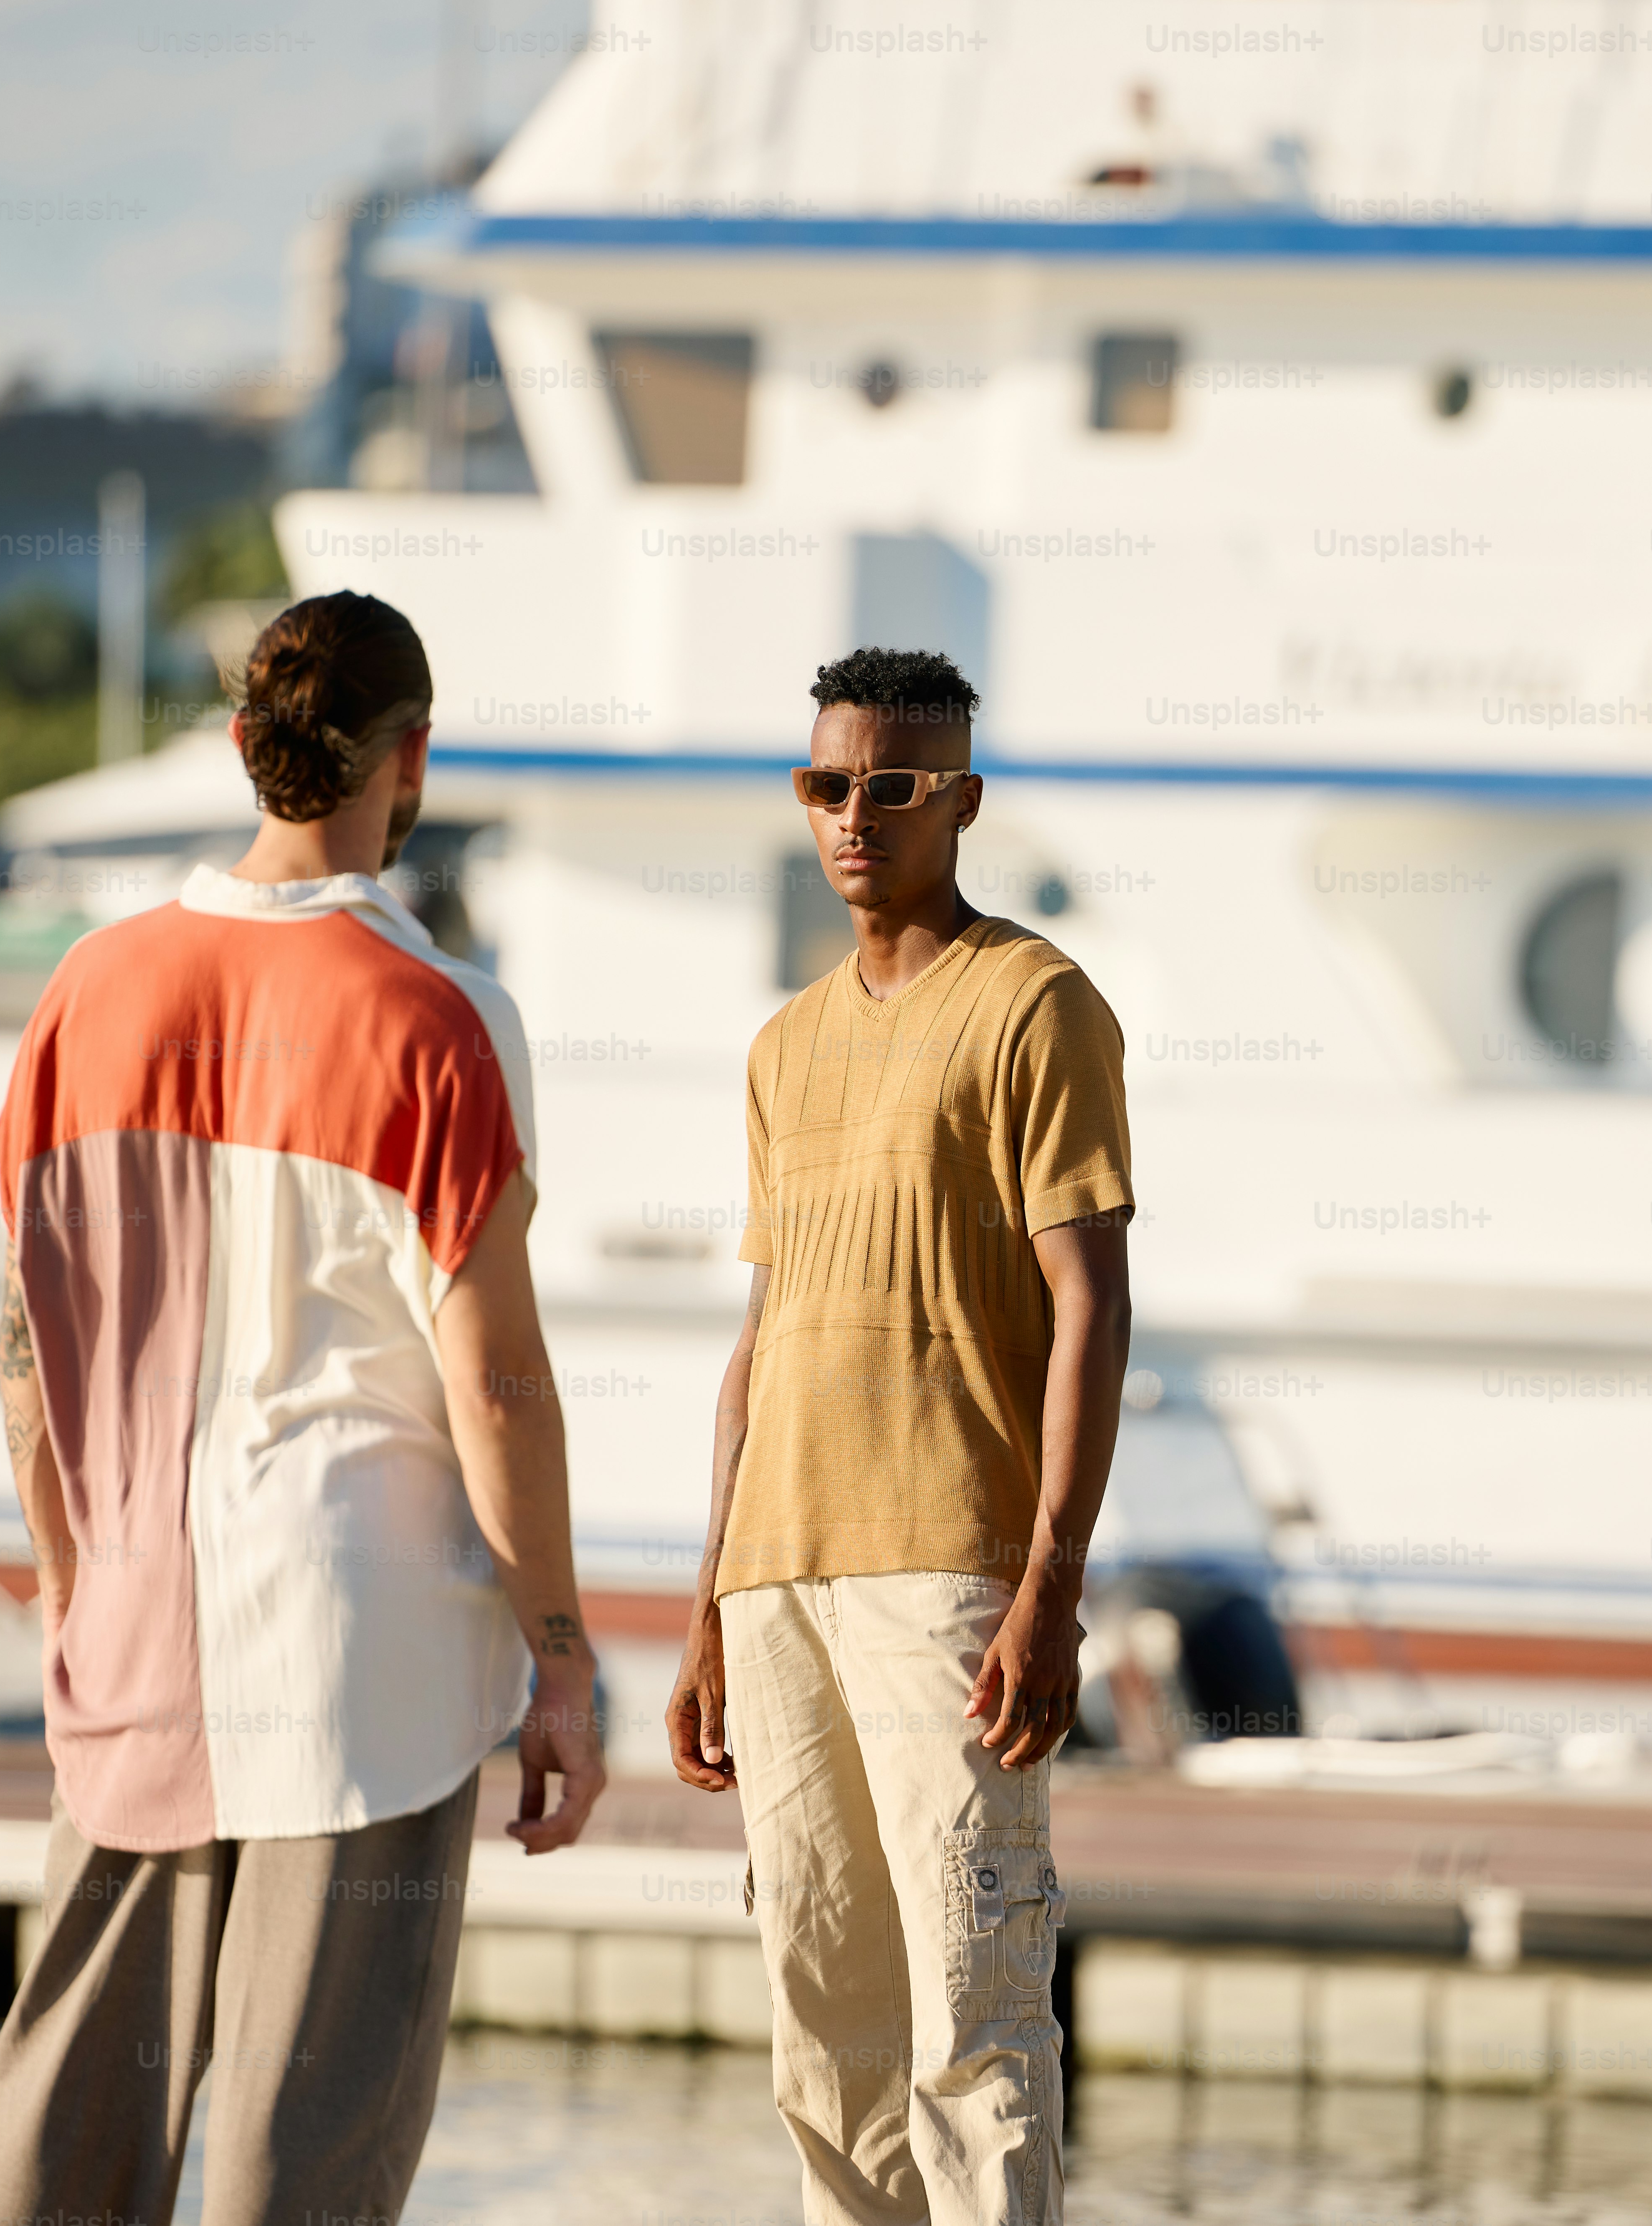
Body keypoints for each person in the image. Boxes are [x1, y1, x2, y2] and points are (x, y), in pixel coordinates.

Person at [0, 591, 603, 2226]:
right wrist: (559, 1649)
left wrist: (64, 1578)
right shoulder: (442, 1016)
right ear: (413, 763)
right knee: (297, 2160)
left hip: (133, 1624)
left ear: (244, 750)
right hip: (359, 1664)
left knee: (59, 2145)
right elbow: (499, 1378)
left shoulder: (86, 992)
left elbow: (30, 1355)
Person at [667, 647, 1133, 2226]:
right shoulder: (780, 1045)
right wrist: (706, 1606)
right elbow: (758, 1344)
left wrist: (1050, 1583)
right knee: (825, 2042)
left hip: (949, 1575)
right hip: (778, 1582)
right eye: (824, 785)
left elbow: (1091, 1308)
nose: (852, 815)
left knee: (972, 2023)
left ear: (961, 802)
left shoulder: (1036, 1007)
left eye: (890, 786)